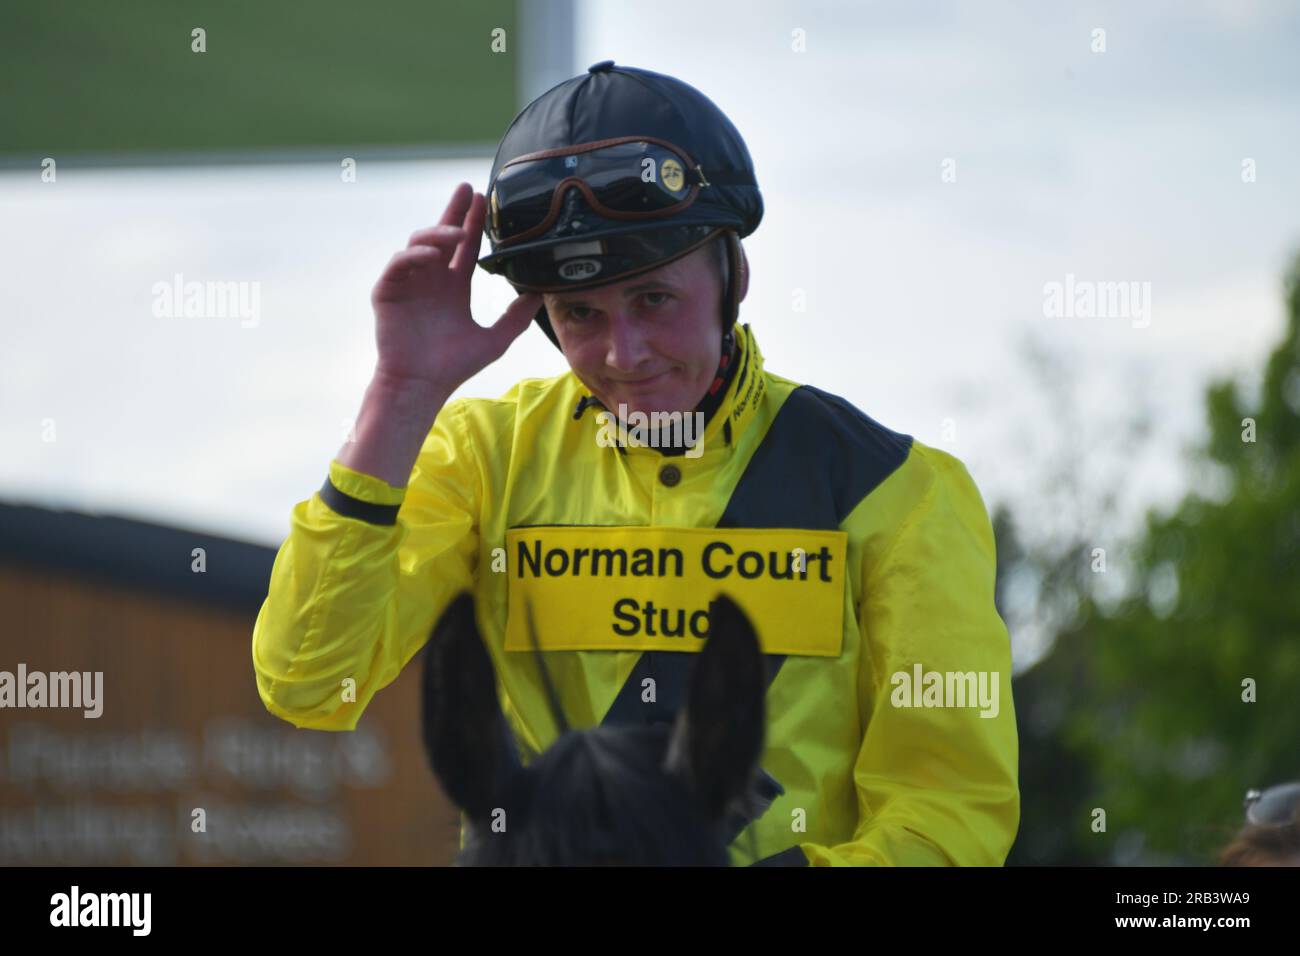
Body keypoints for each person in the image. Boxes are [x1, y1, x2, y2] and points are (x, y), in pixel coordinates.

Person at [251, 61, 1020, 865]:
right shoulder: (482, 458)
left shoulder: (899, 491)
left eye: (655, 299)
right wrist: (402, 393)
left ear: (734, 276)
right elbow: (309, 683)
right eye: (580, 314)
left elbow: (947, 818)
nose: (624, 354)